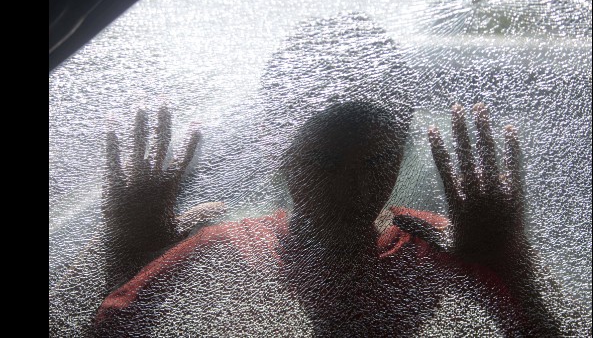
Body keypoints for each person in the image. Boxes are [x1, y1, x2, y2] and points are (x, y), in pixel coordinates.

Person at [93, 100, 562, 337]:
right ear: (285, 160)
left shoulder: (450, 247)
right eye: (327, 160)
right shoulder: (227, 252)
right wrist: (125, 250)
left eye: (376, 162)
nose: (350, 185)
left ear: (400, 158)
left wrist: (509, 259)